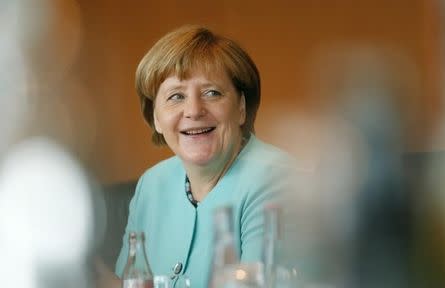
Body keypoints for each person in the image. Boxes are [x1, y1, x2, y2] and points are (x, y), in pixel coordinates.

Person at [96, 25, 296, 288]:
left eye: (211, 93)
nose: (193, 110)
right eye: (176, 96)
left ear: (241, 108)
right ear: (156, 117)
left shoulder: (277, 180)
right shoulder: (152, 185)